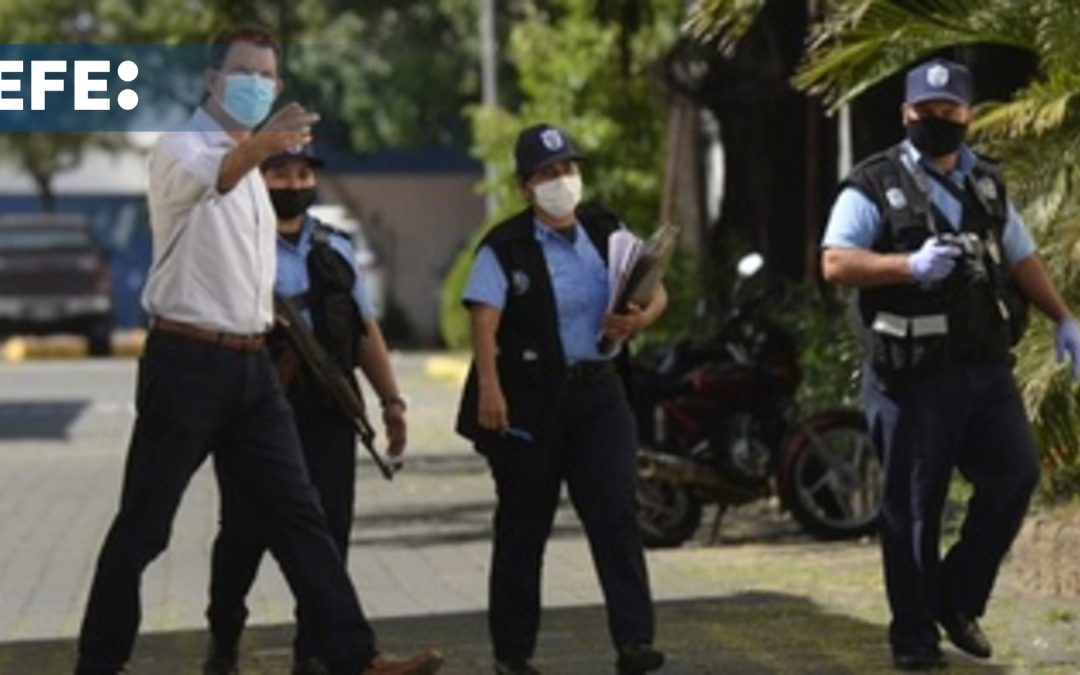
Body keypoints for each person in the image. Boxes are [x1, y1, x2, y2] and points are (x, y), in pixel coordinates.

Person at [74, 26, 441, 675]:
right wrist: (267, 142)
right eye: (244, 72)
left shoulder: (253, 167)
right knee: (144, 529)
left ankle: (356, 657)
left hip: (253, 369)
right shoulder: (181, 146)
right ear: (213, 80)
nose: (258, 84)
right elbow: (217, 175)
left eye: (268, 75)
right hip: (187, 363)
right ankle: (97, 663)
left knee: (303, 517)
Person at [821, 58, 1080, 671]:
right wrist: (906, 267)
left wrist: (1065, 319)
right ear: (906, 112)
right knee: (914, 509)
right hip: (911, 376)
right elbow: (836, 262)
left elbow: (1020, 257)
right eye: (926, 112)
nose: (937, 121)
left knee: (1015, 477)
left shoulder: (985, 185)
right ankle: (914, 638)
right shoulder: (873, 183)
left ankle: (956, 597)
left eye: (949, 112)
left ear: (969, 114)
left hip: (984, 369)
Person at [455, 123, 668, 675]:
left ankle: (634, 642)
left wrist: (639, 319)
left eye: (568, 169)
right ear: (526, 186)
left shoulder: (606, 230)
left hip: (599, 393)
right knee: (525, 528)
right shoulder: (505, 246)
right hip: (530, 401)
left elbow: (654, 287)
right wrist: (490, 389)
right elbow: (484, 321)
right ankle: (513, 653)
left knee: (616, 515)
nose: (562, 181)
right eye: (548, 174)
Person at [201, 145, 410, 675]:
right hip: (252, 415)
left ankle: (315, 652)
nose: (293, 182)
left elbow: (365, 331)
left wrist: (391, 401)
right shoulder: (234, 247)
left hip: (327, 414)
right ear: (257, 180)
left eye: (302, 173)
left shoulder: (335, 249)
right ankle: (223, 637)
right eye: (279, 174)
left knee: (329, 532)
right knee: (244, 536)